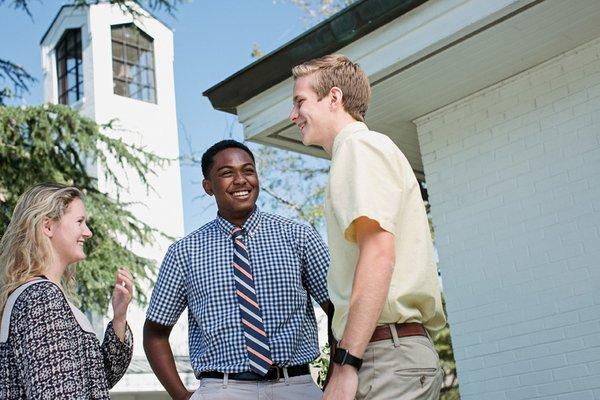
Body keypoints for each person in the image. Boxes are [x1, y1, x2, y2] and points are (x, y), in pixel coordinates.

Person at [289, 54, 447, 400]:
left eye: (300, 101)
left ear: (334, 98)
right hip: (386, 353)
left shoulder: (359, 148)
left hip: (383, 357)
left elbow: (378, 255)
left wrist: (346, 364)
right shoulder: (363, 150)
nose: (293, 115)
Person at [143, 140, 331, 400]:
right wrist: (181, 397)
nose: (241, 180)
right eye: (227, 173)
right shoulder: (184, 253)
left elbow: (338, 311)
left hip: (296, 387)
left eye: (248, 170)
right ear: (208, 186)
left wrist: (335, 379)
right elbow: (155, 334)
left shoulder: (298, 236)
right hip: (222, 389)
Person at [0, 182, 134, 399]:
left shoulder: (41, 295)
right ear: (48, 226)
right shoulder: (42, 299)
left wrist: (119, 317)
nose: (88, 232)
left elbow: (100, 378)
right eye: (79, 222)